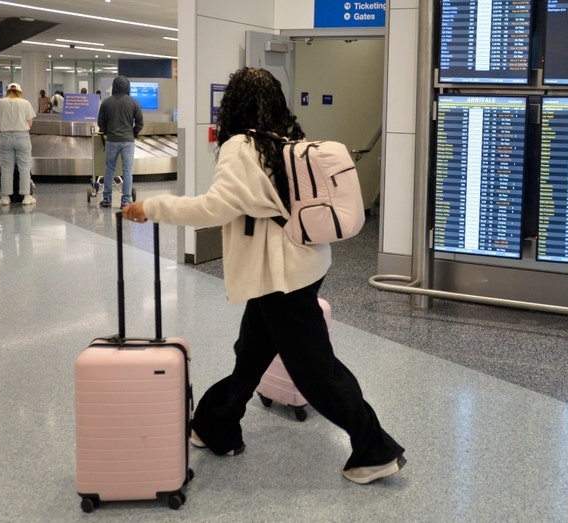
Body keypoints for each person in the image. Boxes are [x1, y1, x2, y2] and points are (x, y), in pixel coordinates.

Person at [122, 67, 406, 485]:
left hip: (280, 276)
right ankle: (214, 424)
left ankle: (375, 447)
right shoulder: (285, 139)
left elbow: (215, 208)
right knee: (252, 352)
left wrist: (154, 207)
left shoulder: (240, 145)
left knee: (316, 372)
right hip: (299, 266)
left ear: (233, 103)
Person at [96, 76, 143, 208]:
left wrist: (106, 132)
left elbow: (101, 122)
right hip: (128, 141)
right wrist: (133, 133)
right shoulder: (134, 103)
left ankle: (107, 198)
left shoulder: (106, 102)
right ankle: (126, 200)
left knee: (109, 169)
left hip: (112, 140)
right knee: (127, 170)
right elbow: (140, 122)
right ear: (128, 87)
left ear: (114, 86)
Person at [0, 83, 36, 206]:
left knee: (6, 168)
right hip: (22, 136)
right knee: (24, 167)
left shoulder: (0, 103)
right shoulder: (25, 103)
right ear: (19, 92)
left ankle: (6, 197)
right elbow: (30, 123)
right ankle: (26, 197)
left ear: (8, 91)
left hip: (5, 137)